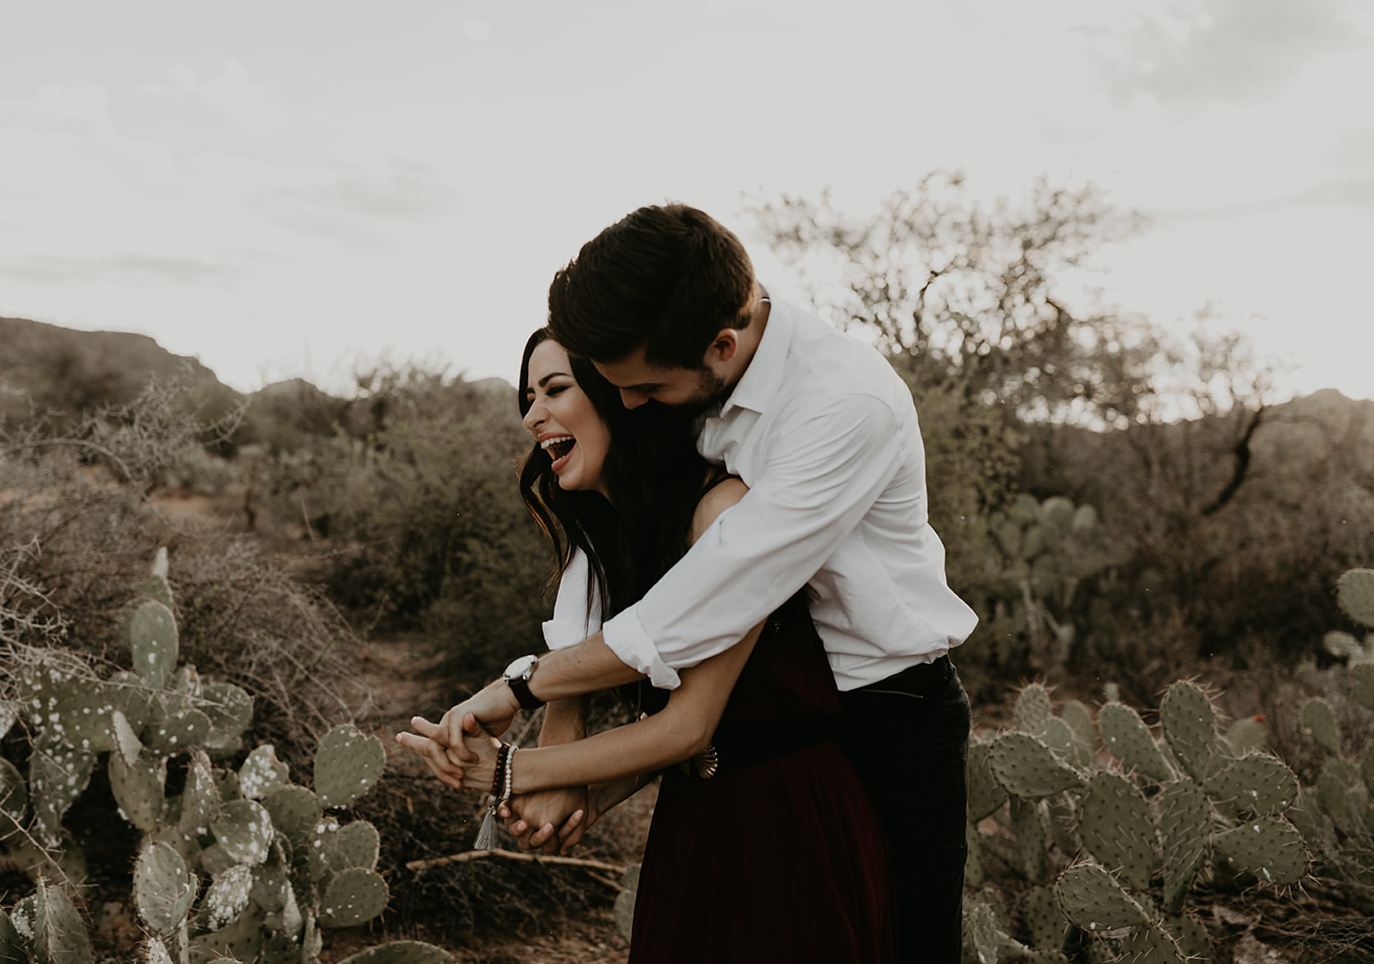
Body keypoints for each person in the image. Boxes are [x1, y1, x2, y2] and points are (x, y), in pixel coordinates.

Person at [411, 204, 977, 962]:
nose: (636, 407)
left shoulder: (842, 405)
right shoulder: (681, 373)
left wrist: (519, 700)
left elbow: (700, 607)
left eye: (643, 389)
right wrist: (571, 767)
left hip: (888, 709)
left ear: (721, 344)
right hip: (758, 741)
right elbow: (625, 580)